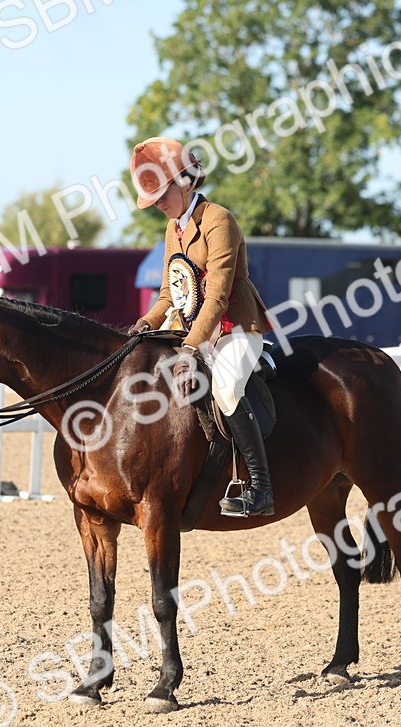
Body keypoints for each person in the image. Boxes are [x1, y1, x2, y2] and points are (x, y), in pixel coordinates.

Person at [128, 137, 274, 516]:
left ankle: (260, 487)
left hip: (234, 327)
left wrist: (192, 347)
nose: (159, 203)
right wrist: (146, 322)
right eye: (153, 198)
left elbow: (218, 296)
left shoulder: (218, 219)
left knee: (225, 388)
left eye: (163, 193)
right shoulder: (172, 229)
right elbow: (168, 291)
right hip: (191, 325)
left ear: (186, 181)